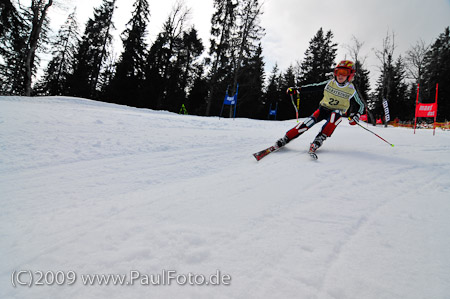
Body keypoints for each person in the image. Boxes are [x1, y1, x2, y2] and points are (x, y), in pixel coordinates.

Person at [275, 60, 365, 155]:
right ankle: (286, 138)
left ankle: (320, 138)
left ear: (350, 75)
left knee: (336, 115)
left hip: (336, 112)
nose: (340, 75)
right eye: (338, 72)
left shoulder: (351, 89)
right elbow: (313, 87)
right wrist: (298, 90)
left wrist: (357, 115)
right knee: (308, 122)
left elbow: (361, 105)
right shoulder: (330, 83)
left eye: (344, 73)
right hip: (323, 109)